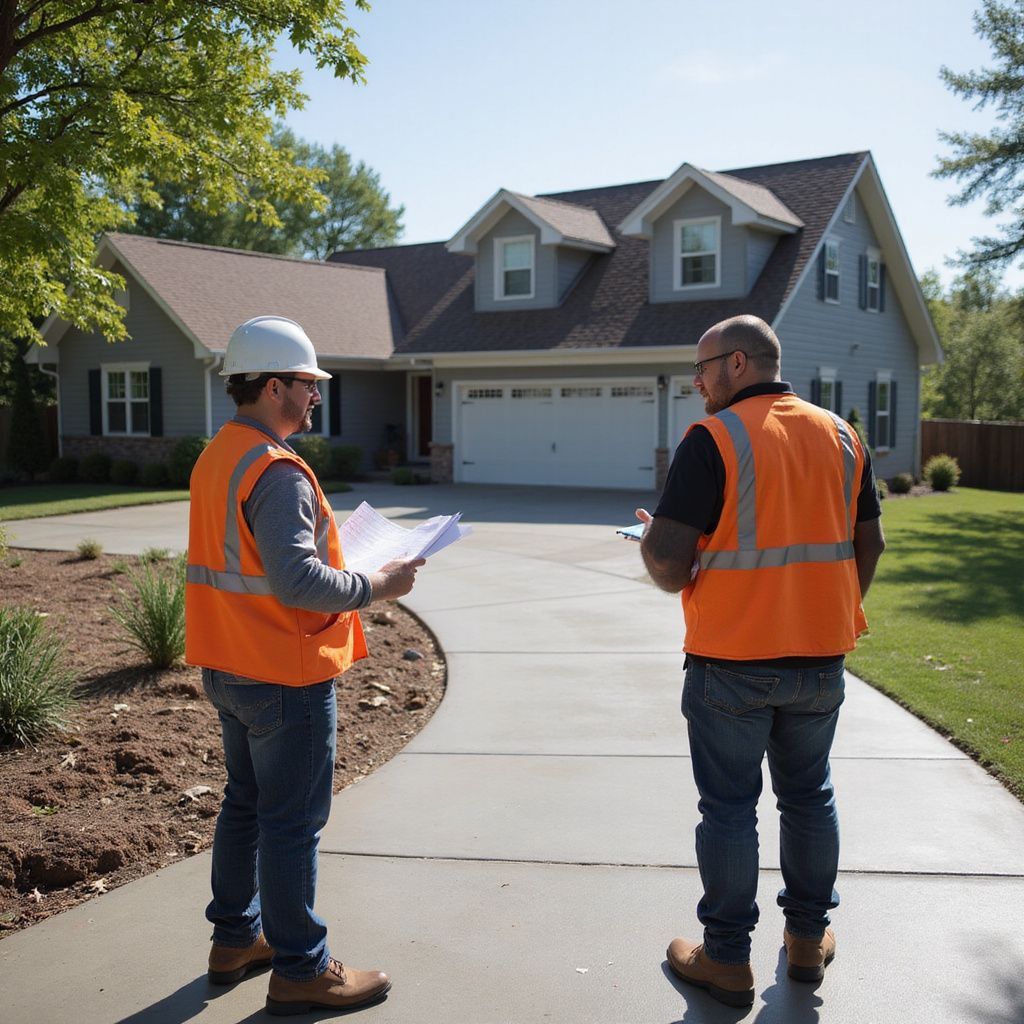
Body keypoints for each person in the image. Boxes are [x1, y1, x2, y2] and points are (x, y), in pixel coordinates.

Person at [636, 315, 886, 1008]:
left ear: (738, 363)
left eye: (704, 367)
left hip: (730, 663)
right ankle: (807, 940)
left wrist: (648, 540)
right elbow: (870, 546)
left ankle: (725, 960)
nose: (697, 381)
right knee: (810, 796)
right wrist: (827, 612)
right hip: (819, 659)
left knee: (728, 810)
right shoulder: (841, 435)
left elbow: (665, 562)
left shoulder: (713, 438)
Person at [185, 315, 424, 1016]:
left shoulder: (219, 455)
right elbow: (297, 583)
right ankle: (300, 967)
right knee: (290, 823)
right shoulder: (276, 471)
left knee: (246, 804)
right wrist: (382, 585)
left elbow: (253, 566)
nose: (316, 394)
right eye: (307, 383)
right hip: (283, 674)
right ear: (270, 386)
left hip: (229, 663)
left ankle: (236, 939)